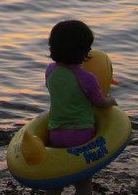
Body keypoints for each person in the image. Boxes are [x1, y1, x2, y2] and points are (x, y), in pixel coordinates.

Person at [45, 20, 118, 195]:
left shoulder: (50, 71)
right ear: (85, 51)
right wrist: (111, 101)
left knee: (56, 180)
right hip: (81, 134)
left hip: (56, 132)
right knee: (83, 181)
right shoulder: (87, 78)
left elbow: (58, 91)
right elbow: (99, 101)